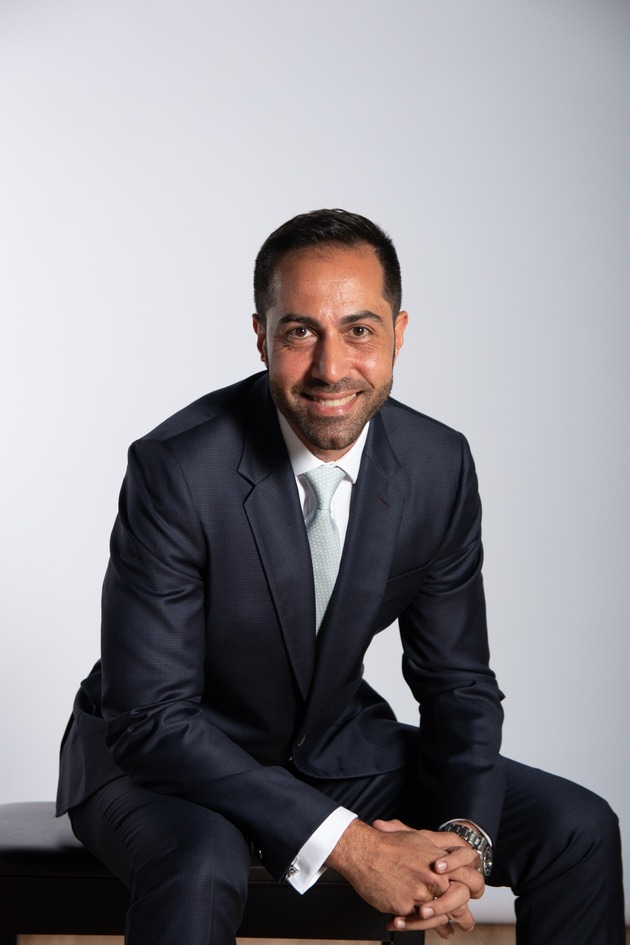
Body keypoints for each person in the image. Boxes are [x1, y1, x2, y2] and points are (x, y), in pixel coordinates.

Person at [57, 209, 625, 944]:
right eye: (300, 332)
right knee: (200, 865)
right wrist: (355, 845)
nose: (331, 368)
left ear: (398, 333)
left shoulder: (437, 464)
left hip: (331, 745)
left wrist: (464, 841)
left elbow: (457, 683)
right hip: (162, 757)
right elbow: (152, 718)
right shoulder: (177, 470)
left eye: (359, 330)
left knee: (578, 827)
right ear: (261, 335)